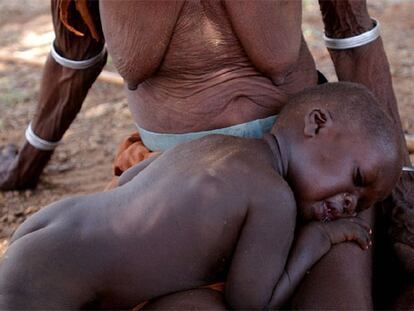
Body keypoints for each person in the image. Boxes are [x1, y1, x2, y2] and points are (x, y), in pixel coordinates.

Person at [0, 0, 413, 308]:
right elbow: (76, 48)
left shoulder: (336, 181)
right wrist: (31, 156)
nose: (352, 203)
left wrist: (396, 183)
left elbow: (351, 31)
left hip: (313, 166)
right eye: (359, 190)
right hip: (177, 188)